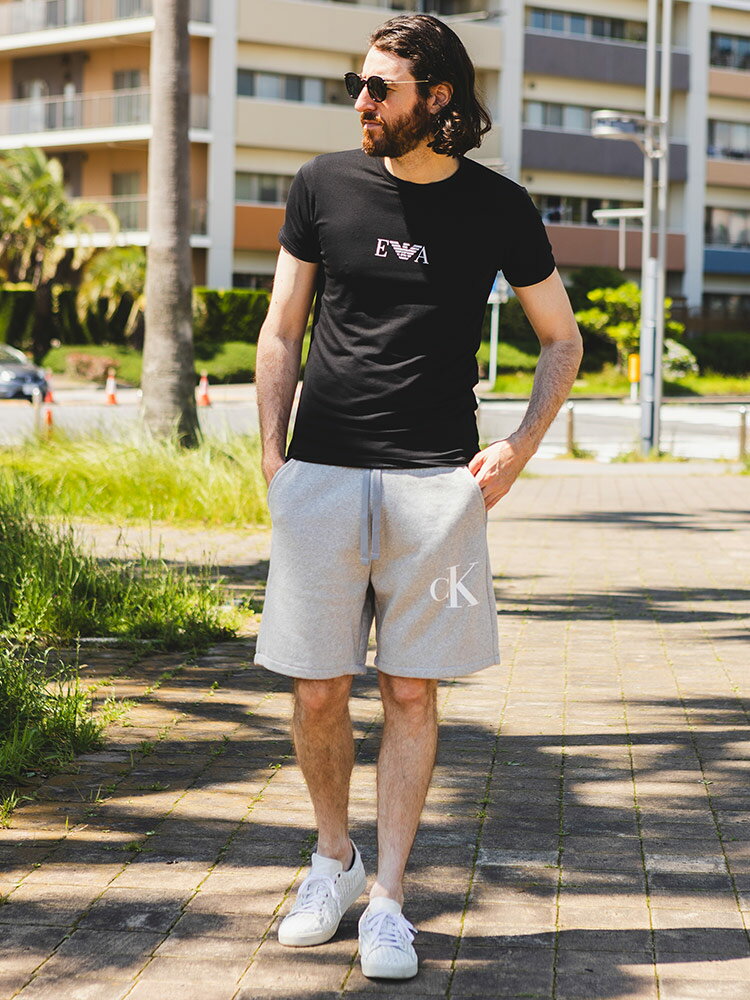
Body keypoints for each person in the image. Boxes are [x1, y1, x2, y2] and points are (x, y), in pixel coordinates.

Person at [254, 13, 583, 981]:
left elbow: (561, 338)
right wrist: (273, 459)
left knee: (408, 688)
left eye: (379, 88)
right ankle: (333, 859)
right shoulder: (321, 185)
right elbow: (281, 330)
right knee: (318, 687)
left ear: (437, 99)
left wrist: (518, 448)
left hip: (436, 484)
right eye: (355, 85)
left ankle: (390, 898)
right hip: (321, 473)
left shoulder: (498, 205)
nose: (361, 102)